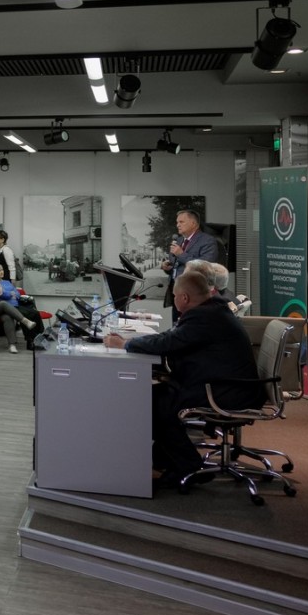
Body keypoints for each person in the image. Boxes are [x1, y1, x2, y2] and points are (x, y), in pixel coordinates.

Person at [103, 269, 259, 490]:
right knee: (155, 398)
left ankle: (188, 466)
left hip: (226, 390)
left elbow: (168, 342)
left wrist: (125, 344)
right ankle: (166, 459)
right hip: (225, 384)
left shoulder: (204, 316)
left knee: (154, 403)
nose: (174, 299)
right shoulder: (212, 309)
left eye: (175, 296)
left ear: (184, 298)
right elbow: (173, 338)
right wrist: (132, 342)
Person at [167, 209, 222, 321]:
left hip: (194, 293)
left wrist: (181, 254)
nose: (178, 225)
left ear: (193, 223)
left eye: (181, 222)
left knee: (191, 323)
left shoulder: (208, 241)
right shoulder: (179, 240)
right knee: (176, 323)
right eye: (177, 222)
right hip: (177, 291)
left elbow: (204, 265)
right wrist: (168, 267)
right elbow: (175, 262)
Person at [0, 264, 42, 350]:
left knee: (35, 313)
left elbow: (17, 293)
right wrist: (10, 294)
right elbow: (1, 295)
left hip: (16, 305)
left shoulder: (7, 282)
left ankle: (39, 337)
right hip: (6, 308)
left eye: (2, 270)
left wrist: (12, 294)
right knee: (26, 314)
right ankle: (30, 341)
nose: (2, 272)